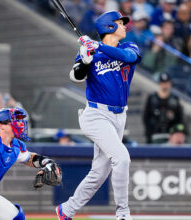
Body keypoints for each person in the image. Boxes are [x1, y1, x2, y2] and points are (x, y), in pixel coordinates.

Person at [56, 11, 141, 220]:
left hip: (119, 116)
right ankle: (123, 213)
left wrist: (98, 46)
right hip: (95, 115)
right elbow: (75, 76)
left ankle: (66, 210)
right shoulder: (90, 51)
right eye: (120, 23)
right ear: (109, 26)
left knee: (99, 173)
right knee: (122, 158)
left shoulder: (129, 48)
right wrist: (85, 61)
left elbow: (129, 58)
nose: (125, 27)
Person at [143, 73, 183, 143]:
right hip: (154, 134)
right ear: (159, 83)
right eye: (162, 83)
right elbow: (146, 117)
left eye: (166, 83)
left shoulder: (174, 100)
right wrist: (149, 133)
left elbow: (179, 119)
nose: (164, 85)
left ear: (170, 83)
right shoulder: (152, 98)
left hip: (170, 136)